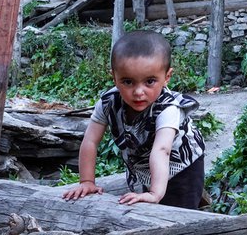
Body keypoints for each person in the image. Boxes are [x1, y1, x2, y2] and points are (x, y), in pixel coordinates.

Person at [62, 30, 205, 208]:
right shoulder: (109, 102)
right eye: (128, 82)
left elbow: (162, 150)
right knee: (143, 209)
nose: (138, 92)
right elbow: (90, 141)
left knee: (179, 214)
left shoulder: (168, 109)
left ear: (167, 77)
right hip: (143, 164)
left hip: (182, 167)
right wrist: (87, 181)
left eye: (150, 81)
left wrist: (155, 194)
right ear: (114, 77)